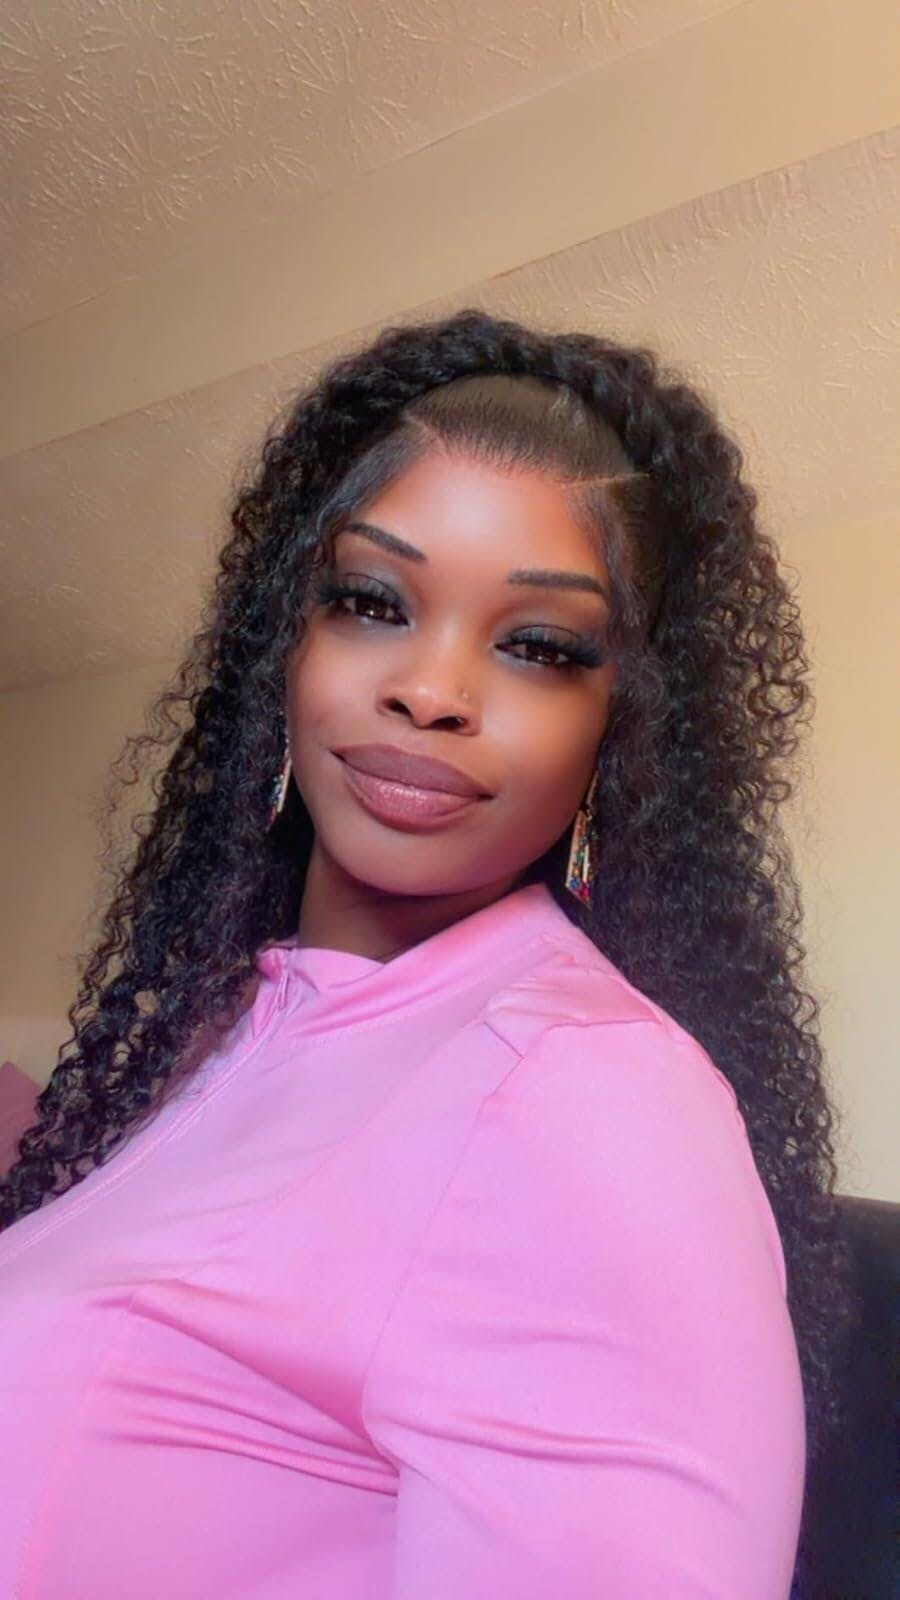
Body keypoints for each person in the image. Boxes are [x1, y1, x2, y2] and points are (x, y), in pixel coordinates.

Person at [0, 308, 856, 1597]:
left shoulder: (588, 1093)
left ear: (621, 731)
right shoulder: (225, 1025)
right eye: (370, 602)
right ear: (285, 649)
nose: (432, 690)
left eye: (539, 647)